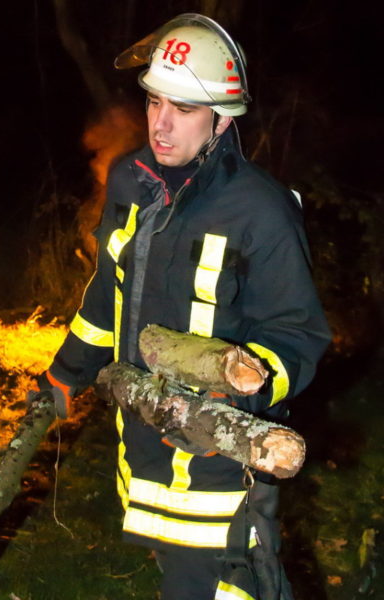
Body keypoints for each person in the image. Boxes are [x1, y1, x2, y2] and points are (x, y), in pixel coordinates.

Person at [34, 13, 331, 600]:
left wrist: (235, 392)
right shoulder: (130, 183)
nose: (161, 125)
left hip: (220, 460)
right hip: (144, 440)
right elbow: (106, 296)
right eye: (153, 103)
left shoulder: (262, 212)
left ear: (222, 119)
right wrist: (66, 374)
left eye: (184, 110)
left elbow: (298, 336)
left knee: (231, 586)